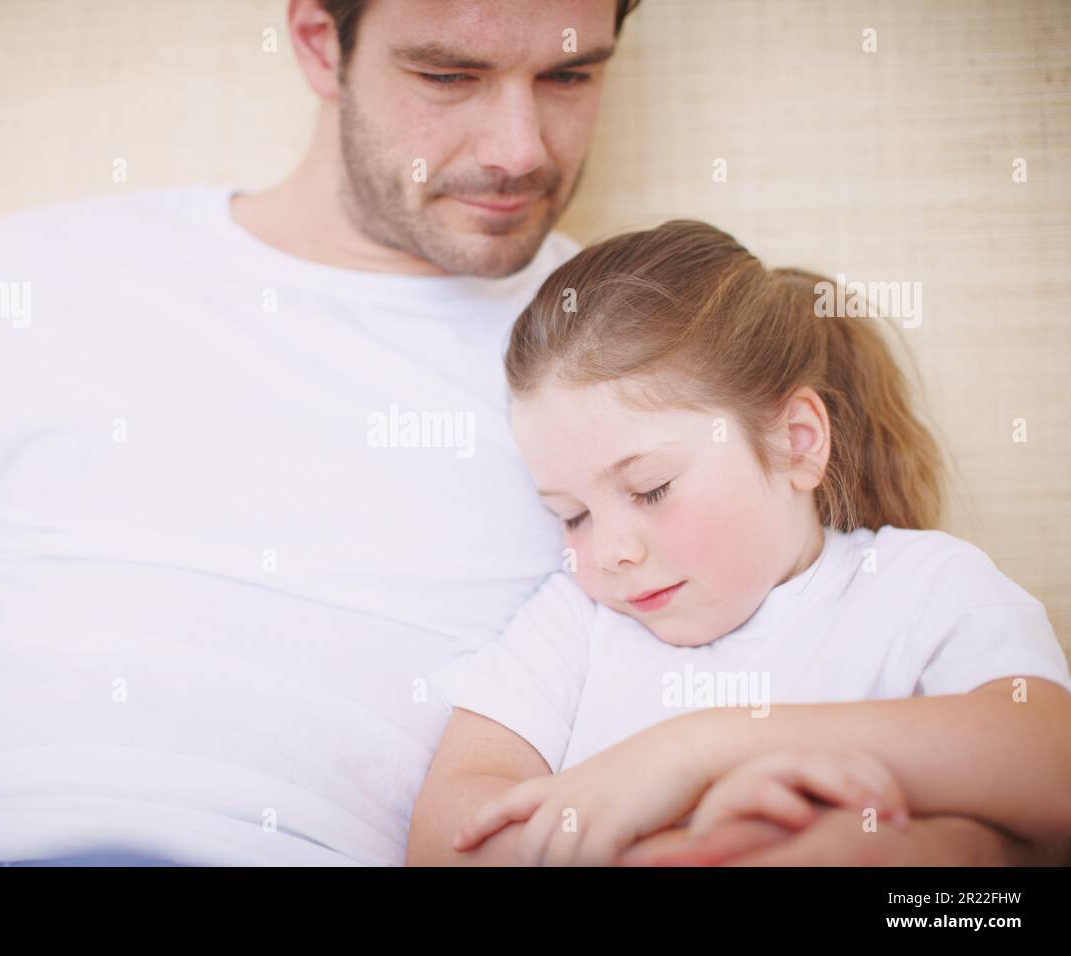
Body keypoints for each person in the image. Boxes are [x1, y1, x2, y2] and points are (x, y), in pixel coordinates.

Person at [0, 0, 1061, 867]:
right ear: (319, 40)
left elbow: (962, 788)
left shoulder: (623, 362)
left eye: (569, 76)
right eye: (448, 75)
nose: (517, 145)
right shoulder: (42, 269)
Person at [406, 220, 1071, 865]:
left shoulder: (920, 587)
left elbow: (1050, 761)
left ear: (796, 441)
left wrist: (699, 748)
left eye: (651, 488)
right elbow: (443, 837)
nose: (611, 551)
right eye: (572, 513)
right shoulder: (577, 625)